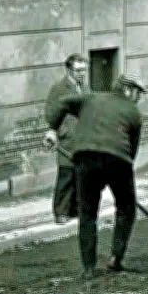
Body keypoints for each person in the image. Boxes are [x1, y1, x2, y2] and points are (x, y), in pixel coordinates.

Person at [45, 74, 148, 279]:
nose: (138, 98)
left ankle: (88, 268)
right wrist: (124, 173)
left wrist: (52, 129)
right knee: (127, 208)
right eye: (137, 93)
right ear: (128, 90)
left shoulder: (89, 98)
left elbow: (61, 103)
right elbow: (132, 151)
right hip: (118, 160)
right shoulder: (134, 113)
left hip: (84, 158)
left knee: (87, 213)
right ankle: (115, 259)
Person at [45, 53, 89, 224]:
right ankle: (61, 212)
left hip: (82, 139)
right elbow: (50, 113)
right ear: (69, 70)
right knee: (66, 176)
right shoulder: (59, 89)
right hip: (67, 140)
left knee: (80, 176)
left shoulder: (84, 88)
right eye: (78, 70)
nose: (82, 73)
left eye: (84, 70)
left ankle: (75, 210)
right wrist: (60, 131)